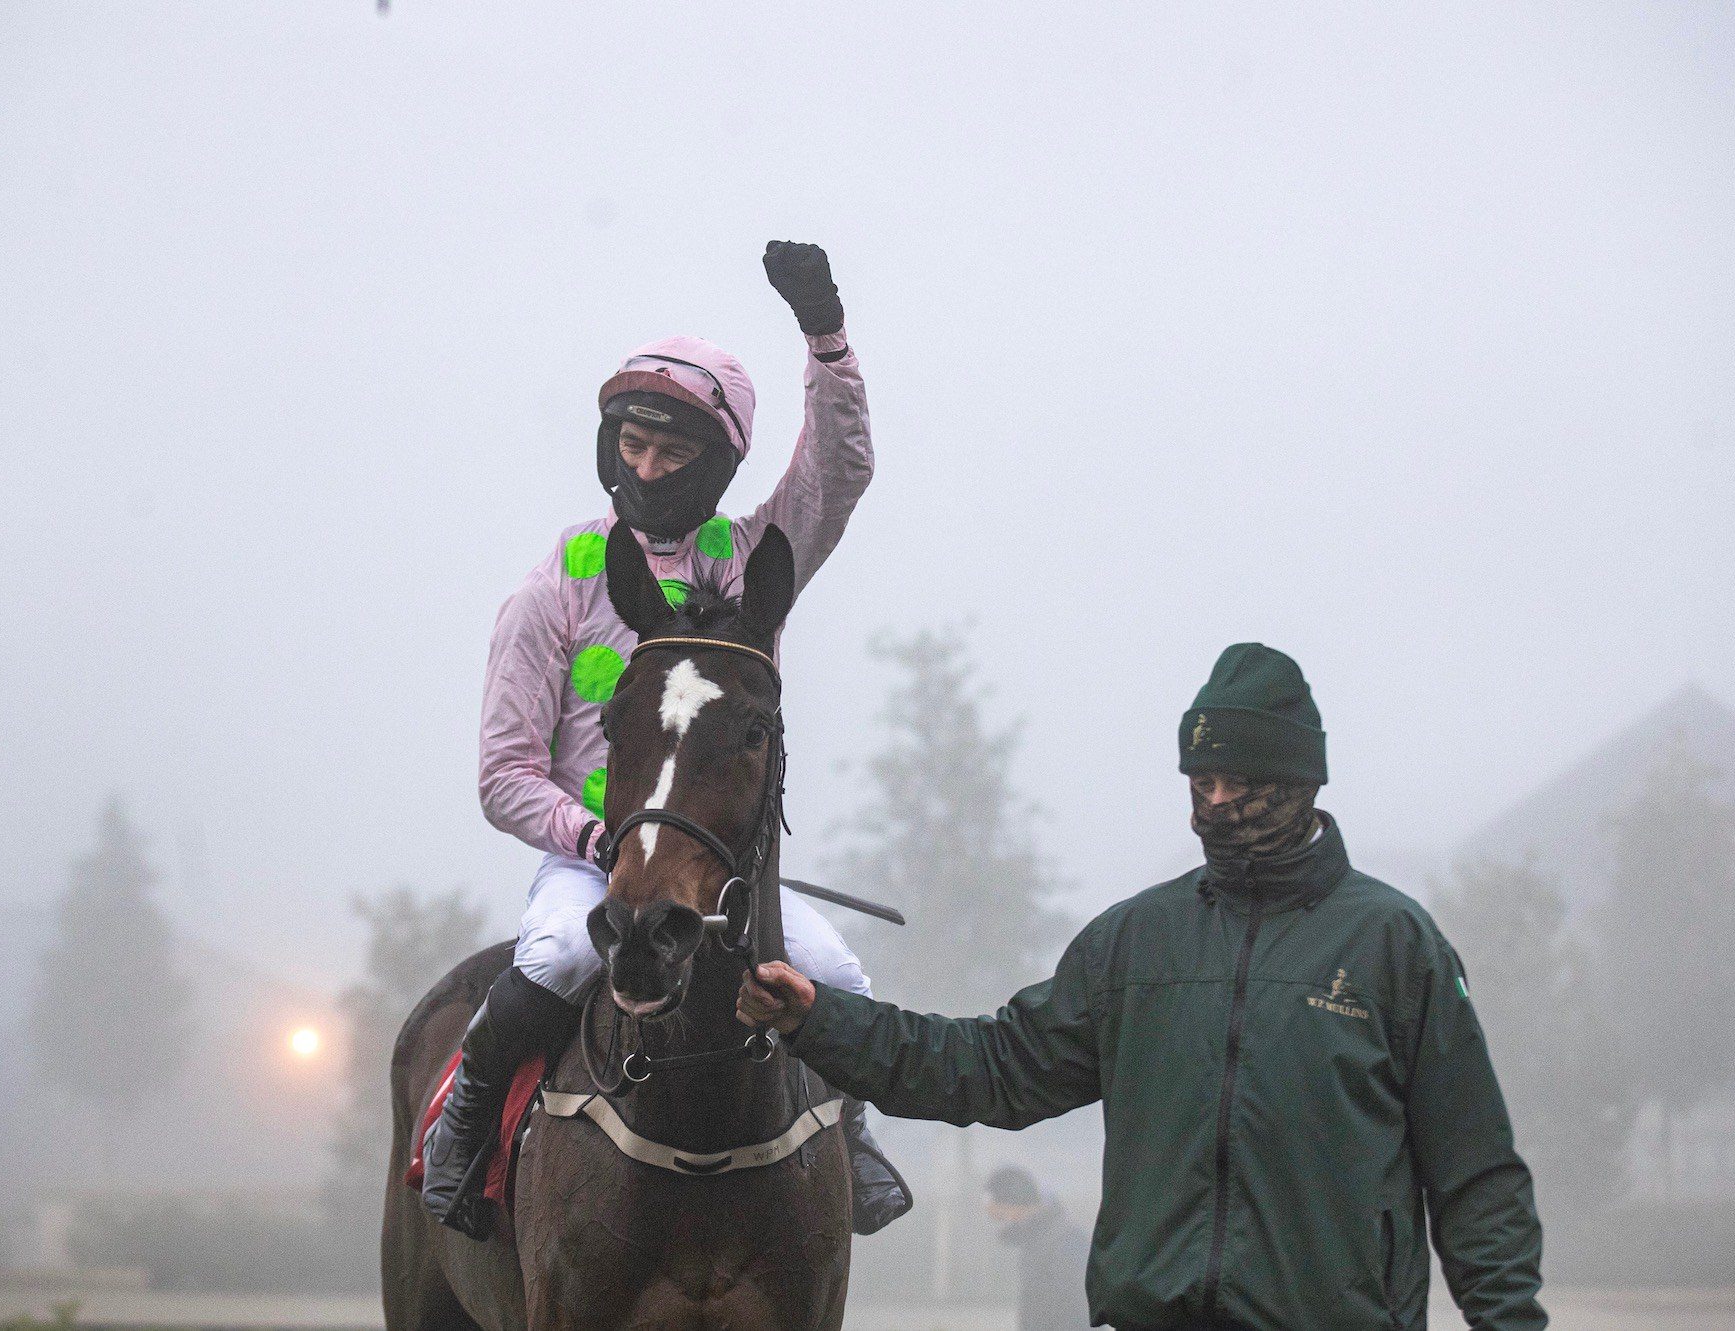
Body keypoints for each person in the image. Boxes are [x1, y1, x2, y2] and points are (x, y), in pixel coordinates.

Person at [740, 644, 1546, 1330]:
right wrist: (819, 1018)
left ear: (1302, 780)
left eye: (1241, 780)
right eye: (1202, 780)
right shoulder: (1136, 942)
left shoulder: (1394, 945)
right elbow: (989, 1065)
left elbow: (1476, 1175)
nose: (1218, 802)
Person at [422, 241, 910, 1241]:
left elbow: (841, 471)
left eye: (671, 453)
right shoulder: (554, 588)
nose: (645, 469)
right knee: (564, 948)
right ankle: (465, 1116)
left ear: (717, 463)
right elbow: (504, 774)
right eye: (632, 446)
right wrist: (600, 836)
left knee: (841, 974)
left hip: (721, 864)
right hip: (594, 859)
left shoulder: (753, 556)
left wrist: (827, 339)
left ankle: (852, 1140)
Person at [986, 1165, 1092, 1331]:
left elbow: (1079, 1309)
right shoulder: (1038, 1240)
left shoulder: (1064, 1243)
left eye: (999, 1215)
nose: (1000, 1224)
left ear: (1014, 1206)